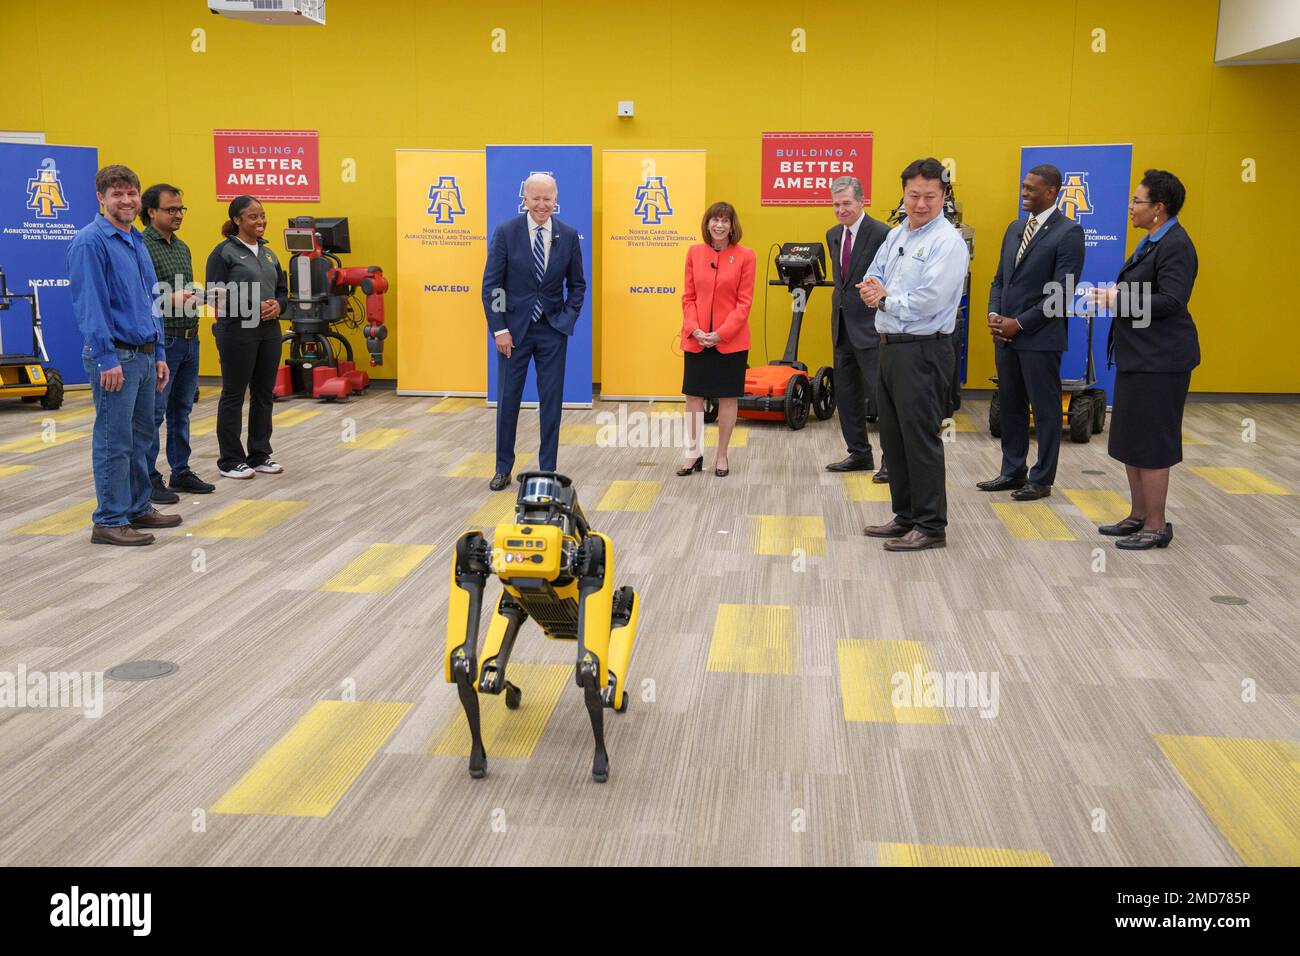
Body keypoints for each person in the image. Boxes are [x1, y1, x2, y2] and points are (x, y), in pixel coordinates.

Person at [67, 164, 183, 546]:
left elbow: (152, 302)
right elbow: (91, 306)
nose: (126, 200)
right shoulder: (90, 242)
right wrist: (105, 358)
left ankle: (136, 507)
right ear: (101, 198)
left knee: (141, 438)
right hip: (116, 357)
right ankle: (109, 519)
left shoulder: (135, 241)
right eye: (116, 194)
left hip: (146, 356)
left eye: (131, 193)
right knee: (113, 441)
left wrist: (160, 352)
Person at [859, 158, 970, 552]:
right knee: (893, 436)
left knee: (921, 438)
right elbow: (874, 274)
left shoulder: (948, 243)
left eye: (930, 196)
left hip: (924, 351)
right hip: (889, 350)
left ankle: (931, 526)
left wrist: (886, 299)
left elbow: (931, 300)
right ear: (903, 194)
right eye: (913, 195)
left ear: (943, 196)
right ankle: (905, 516)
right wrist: (874, 288)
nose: (920, 204)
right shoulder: (897, 235)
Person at [1086, 169, 1199, 550]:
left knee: (1152, 442)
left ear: (1159, 208)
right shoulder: (1152, 242)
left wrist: (1118, 299)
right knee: (1131, 439)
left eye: (1137, 201)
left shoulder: (1176, 245)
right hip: (1140, 356)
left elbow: (1171, 301)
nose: (1130, 207)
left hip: (1161, 360)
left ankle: (1156, 524)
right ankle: (1137, 515)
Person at [979, 165, 1086, 500]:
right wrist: (995, 315)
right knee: (1011, 404)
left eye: (1031, 189)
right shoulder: (1015, 228)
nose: (1023, 193)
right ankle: (1012, 471)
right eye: (1023, 187)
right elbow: (999, 279)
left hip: (1039, 338)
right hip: (1005, 336)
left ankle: (1041, 479)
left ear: (1051, 191)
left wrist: (1020, 323)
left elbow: (1063, 293)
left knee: (1045, 409)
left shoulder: (1068, 232)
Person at [481, 173, 587, 491]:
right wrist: (499, 329)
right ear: (524, 199)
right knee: (509, 400)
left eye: (547, 199)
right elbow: (492, 287)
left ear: (556, 200)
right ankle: (503, 468)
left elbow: (578, 285)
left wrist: (565, 320)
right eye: (535, 199)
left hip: (552, 331)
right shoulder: (506, 232)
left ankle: (548, 470)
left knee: (551, 402)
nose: (542, 205)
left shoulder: (567, 235)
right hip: (513, 334)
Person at [140, 182, 214, 502]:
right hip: (163, 340)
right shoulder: (140, 246)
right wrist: (173, 299)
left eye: (181, 209)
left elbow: (182, 292)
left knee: (181, 410)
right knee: (154, 413)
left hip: (189, 337)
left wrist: (200, 296)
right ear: (151, 211)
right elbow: (141, 296)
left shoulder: (181, 247)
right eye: (171, 209)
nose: (178, 214)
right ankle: (149, 477)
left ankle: (180, 471)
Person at [205, 195, 288, 480]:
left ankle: (259, 454)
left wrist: (279, 306)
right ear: (237, 220)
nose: (260, 221)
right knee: (234, 393)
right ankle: (230, 459)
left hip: (269, 331)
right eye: (253, 216)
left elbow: (282, 291)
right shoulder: (223, 253)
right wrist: (254, 307)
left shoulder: (269, 254)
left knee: (264, 393)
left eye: (262, 215)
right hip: (236, 331)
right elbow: (214, 296)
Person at [678, 202, 755, 477]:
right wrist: (695, 329)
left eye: (725, 221)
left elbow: (744, 304)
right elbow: (688, 297)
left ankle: (721, 455)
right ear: (707, 223)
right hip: (697, 338)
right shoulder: (694, 253)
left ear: (733, 226)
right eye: (715, 220)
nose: (719, 225)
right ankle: (693, 453)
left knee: (727, 398)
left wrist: (720, 333)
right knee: (693, 396)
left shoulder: (746, 256)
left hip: (730, 341)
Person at [824, 176, 890, 480]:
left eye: (846, 203)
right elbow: (843, 282)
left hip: (872, 327)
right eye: (836, 204)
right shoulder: (833, 234)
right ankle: (859, 454)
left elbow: (889, 279)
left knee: (883, 395)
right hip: (842, 327)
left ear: (861, 200)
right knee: (847, 393)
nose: (840, 210)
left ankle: (892, 459)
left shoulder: (882, 233)